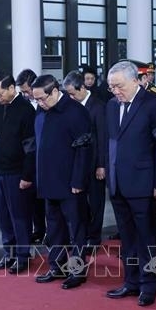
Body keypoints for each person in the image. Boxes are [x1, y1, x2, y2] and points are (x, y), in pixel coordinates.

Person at [105, 61, 156, 307]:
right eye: (111, 87)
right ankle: (131, 281)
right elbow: (111, 143)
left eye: (119, 86)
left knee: (147, 238)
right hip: (118, 183)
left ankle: (149, 285)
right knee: (127, 239)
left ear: (135, 81)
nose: (115, 91)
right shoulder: (112, 105)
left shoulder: (154, 104)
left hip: (144, 183)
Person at [32, 75, 92, 290]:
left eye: (42, 98)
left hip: (70, 182)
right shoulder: (42, 111)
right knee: (54, 227)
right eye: (36, 99)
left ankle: (77, 270)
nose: (39, 103)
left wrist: (78, 180)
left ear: (55, 91)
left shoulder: (75, 112)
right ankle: (56, 266)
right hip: (48, 180)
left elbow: (85, 149)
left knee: (76, 228)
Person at [0, 71, 36, 274]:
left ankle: (23, 256)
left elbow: (30, 147)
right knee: (4, 216)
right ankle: (9, 253)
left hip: (17, 173)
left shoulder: (25, 110)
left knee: (20, 216)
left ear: (11, 88)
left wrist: (27, 175)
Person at [62, 70, 108, 250]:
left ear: (82, 88)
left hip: (95, 163)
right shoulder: (71, 107)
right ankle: (81, 235)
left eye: (72, 93)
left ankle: (94, 238)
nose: (70, 97)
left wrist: (101, 165)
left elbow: (103, 137)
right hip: (77, 164)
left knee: (95, 203)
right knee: (79, 203)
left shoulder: (98, 106)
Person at [16, 68, 46, 244]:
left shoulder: (45, 103)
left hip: (44, 157)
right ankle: (39, 229)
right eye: (23, 92)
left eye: (27, 91)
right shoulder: (24, 105)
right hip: (29, 157)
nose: (26, 95)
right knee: (33, 199)